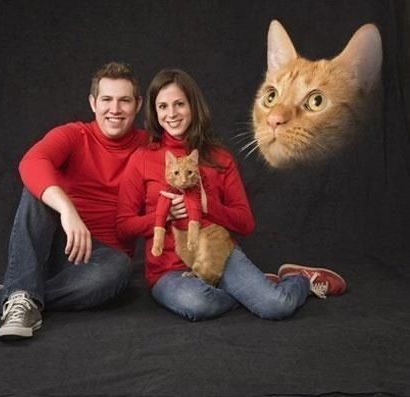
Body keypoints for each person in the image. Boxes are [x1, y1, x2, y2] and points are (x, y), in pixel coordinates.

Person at [116, 68, 347, 322]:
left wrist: (207, 205)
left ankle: (298, 280)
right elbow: (124, 226)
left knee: (276, 306)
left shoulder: (219, 157)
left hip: (220, 257)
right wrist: (164, 216)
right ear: (154, 111)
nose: (171, 114)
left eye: (179, 104)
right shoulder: (142, 159)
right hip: (168, 271)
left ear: (193, 106)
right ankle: (255, 289)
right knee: (198, 304)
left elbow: (245, 224)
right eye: (163, 106)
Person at [0, 62, 148, 340]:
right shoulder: (75, 135)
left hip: (100, 264)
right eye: (107, 99)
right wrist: (67, 210)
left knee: (120, 269)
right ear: (92, 102)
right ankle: (20, 293)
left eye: (124, 100)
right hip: (54, 248)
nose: (115, 109)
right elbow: (32, 161)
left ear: (138, 104)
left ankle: (15, 295)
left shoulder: (149, 146)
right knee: (38, 188)